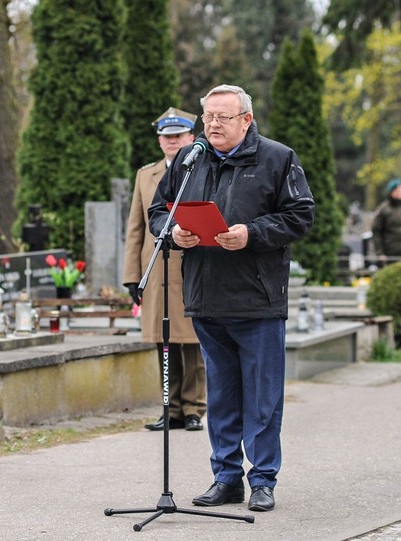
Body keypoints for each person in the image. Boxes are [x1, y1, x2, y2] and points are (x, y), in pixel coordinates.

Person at [148, 84, 315, 512]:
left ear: (246, 120)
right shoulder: (190, 159)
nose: (213, 125)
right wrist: (174, 232)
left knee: (261, 398)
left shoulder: (277, 158)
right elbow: (159, 210)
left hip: (258, 300)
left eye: (222, 117)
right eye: (208, 117)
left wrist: (251, 234)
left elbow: (300, 215)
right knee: (221, 396)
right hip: (206, 296)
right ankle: (226, 478)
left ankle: (262, 480)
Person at [122, 107, 207, 432]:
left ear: (190, 137)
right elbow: (136, 227)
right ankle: (170, 408)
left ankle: (194, 408)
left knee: (193, 340)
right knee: (164, 340)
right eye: (166, 137)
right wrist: (132, 276)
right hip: (157, 268)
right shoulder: (146, 175)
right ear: (159, 141)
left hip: (191, 265)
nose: (172, 142)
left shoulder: (200, 167)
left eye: (178, 136)